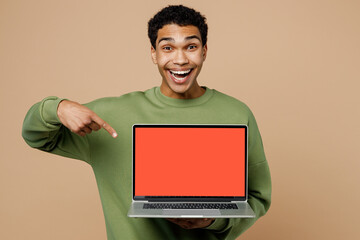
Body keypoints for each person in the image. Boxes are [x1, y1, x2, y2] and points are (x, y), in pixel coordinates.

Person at [22, 5, 271, 240]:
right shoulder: (110, 115)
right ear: (154, 53)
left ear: (204, 51)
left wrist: (212, 221)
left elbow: (258, 198)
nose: (181, 59)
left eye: (191, 47)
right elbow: (35, 136)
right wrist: (57, 107)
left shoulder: (236, 113)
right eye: (168, 48)